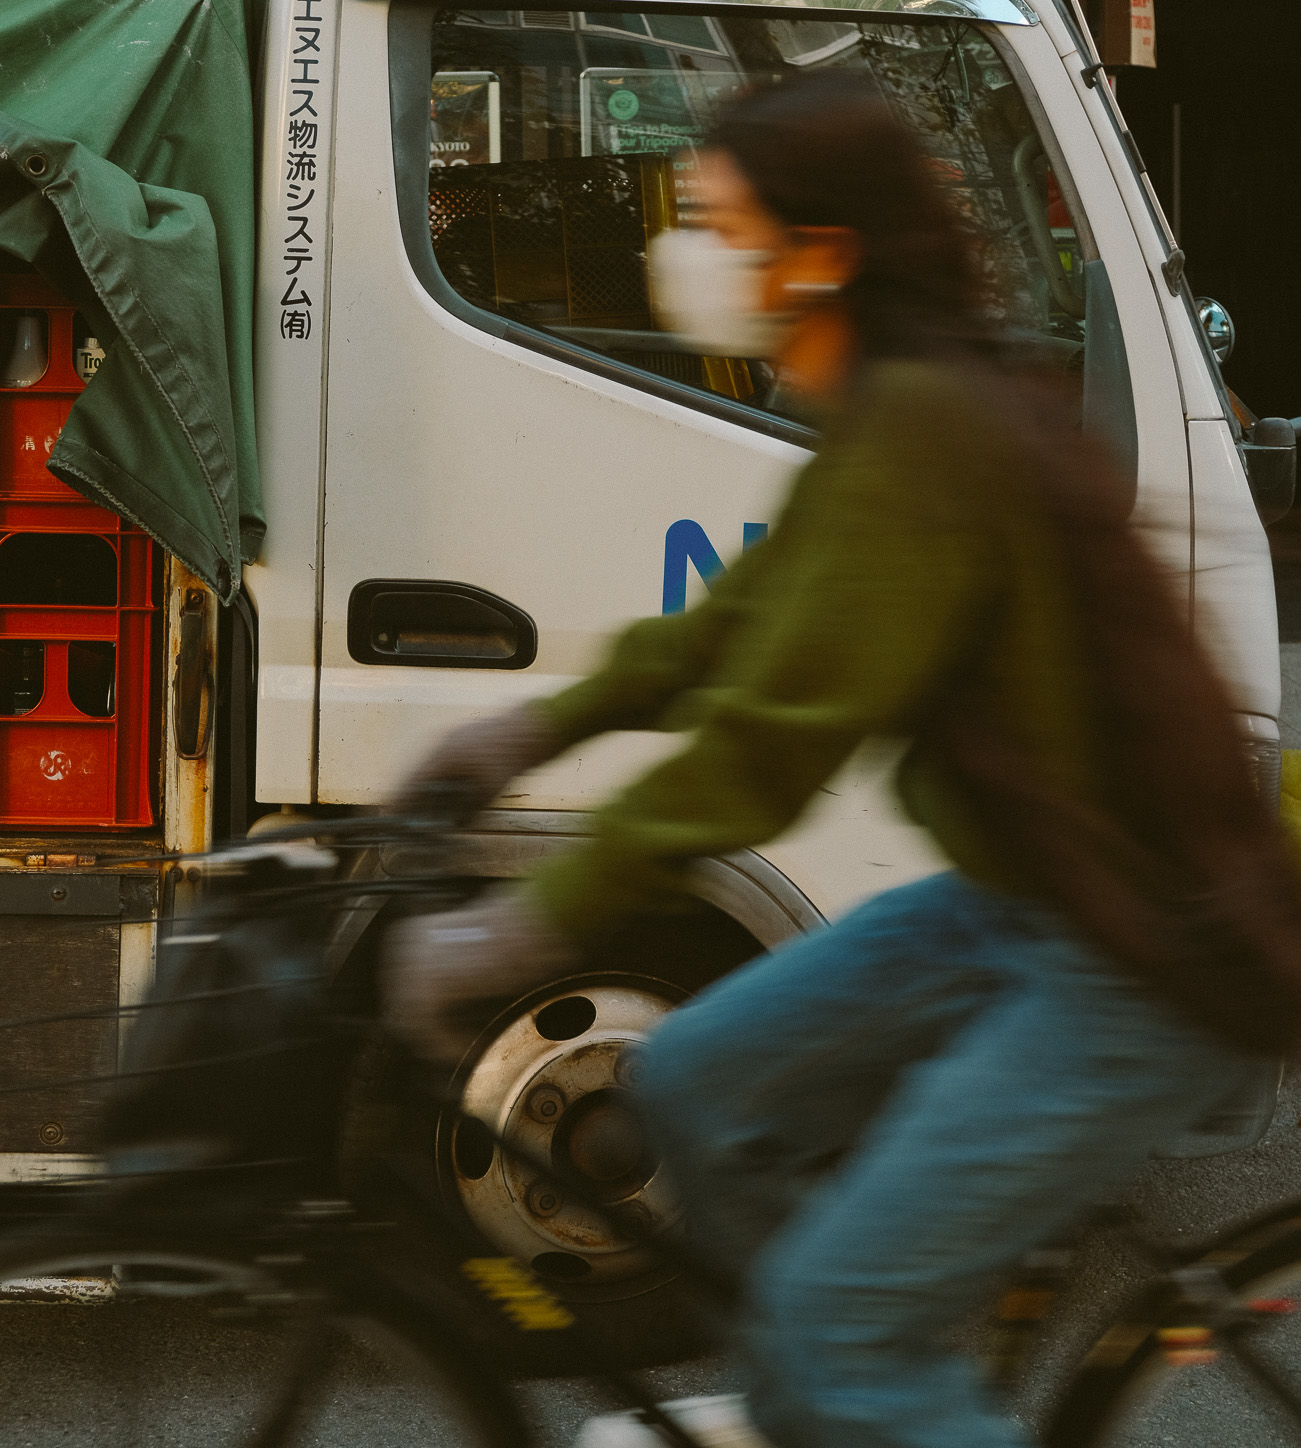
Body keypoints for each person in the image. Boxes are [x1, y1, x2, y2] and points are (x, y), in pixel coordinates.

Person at [383, 78, 1301, 1448]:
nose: (684, 251)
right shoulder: (888, 409)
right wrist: (520, 734)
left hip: (1136, 956)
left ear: (823, 252)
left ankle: (850, 1373)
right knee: (691, 1080)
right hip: (1023, 905)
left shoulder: (926, 428)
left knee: (844, 1325)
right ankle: (820, 1399)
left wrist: (521, 926)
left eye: (718, 222)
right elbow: (731, 635)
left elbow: (764, 749)